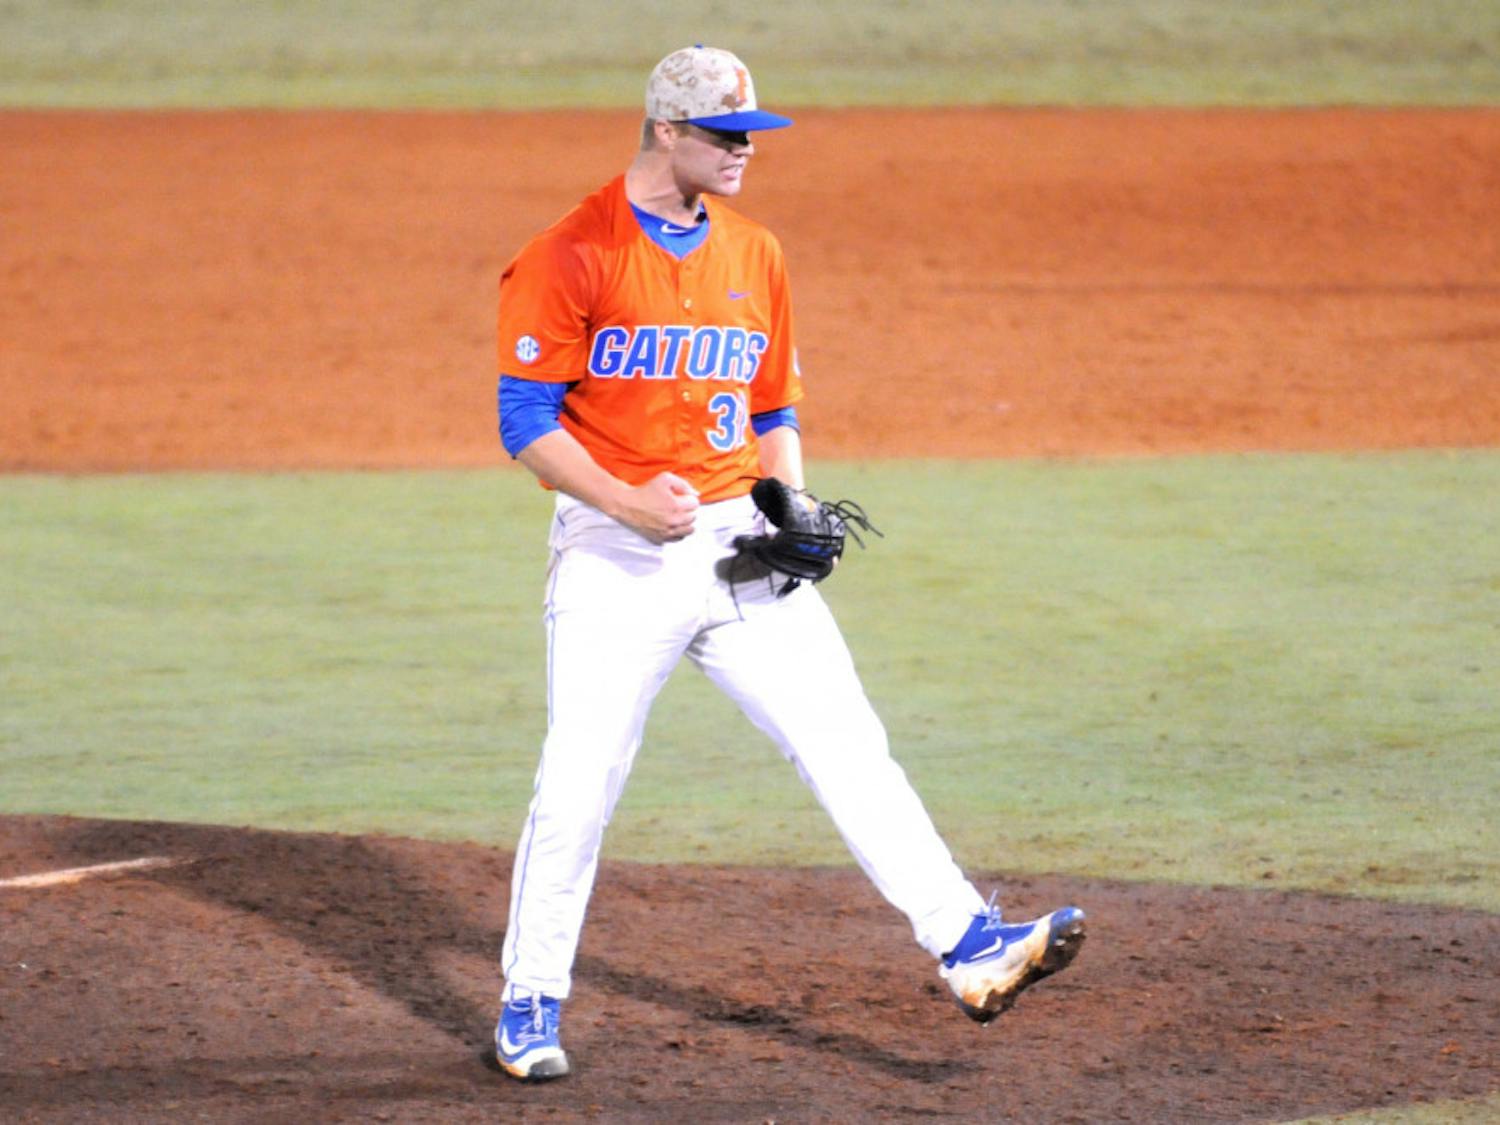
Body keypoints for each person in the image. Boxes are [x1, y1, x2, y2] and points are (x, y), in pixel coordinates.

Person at [492, 45, 1086, 1082]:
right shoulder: (570, 253)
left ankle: (969, 946)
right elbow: (523, 420)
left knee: (847, 740)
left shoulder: (756, 252)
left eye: (751, 136)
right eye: (725, 136)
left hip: (738, 546)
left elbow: (771, 407)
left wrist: (792, 498)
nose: (743, 154)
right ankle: (529, 1002)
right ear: (665, 131)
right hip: (614, 554)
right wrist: (625, 499)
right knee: (580, 781)